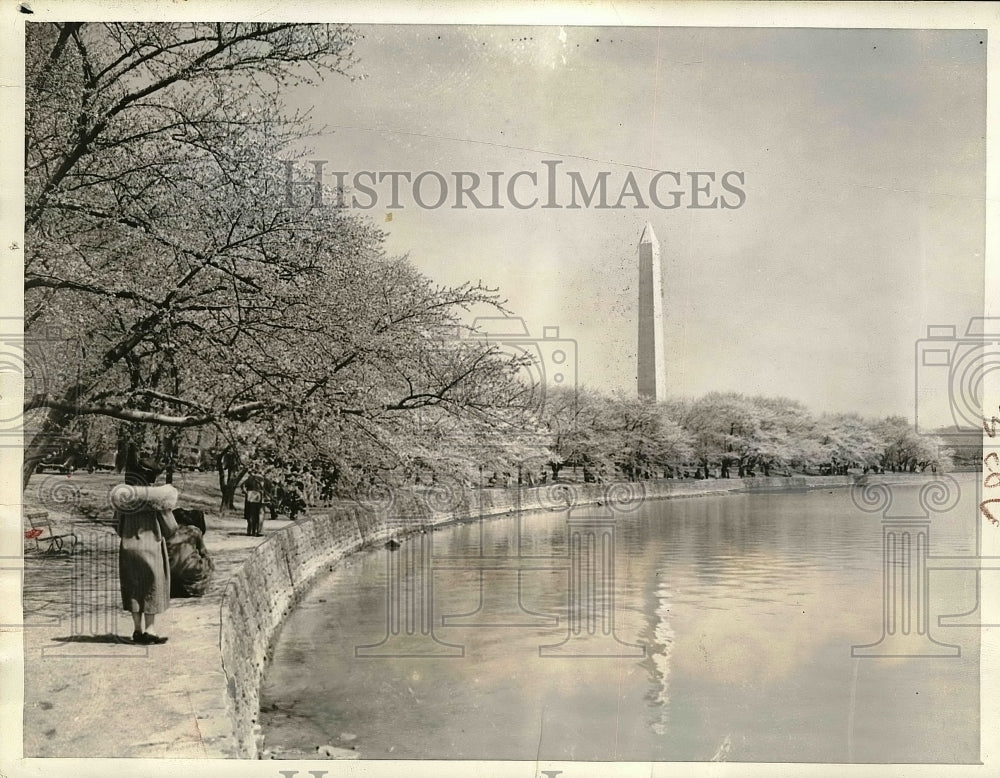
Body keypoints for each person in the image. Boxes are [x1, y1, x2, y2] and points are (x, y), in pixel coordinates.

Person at [112, 457, 177, 645]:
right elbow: (170, 528)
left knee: (133, 587)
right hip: (152, 548)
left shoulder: (124, 499)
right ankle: (150, 630)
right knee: (152, 587)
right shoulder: (158, 500)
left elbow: (117, 526)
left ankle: (137, 629)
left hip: (128, 548)